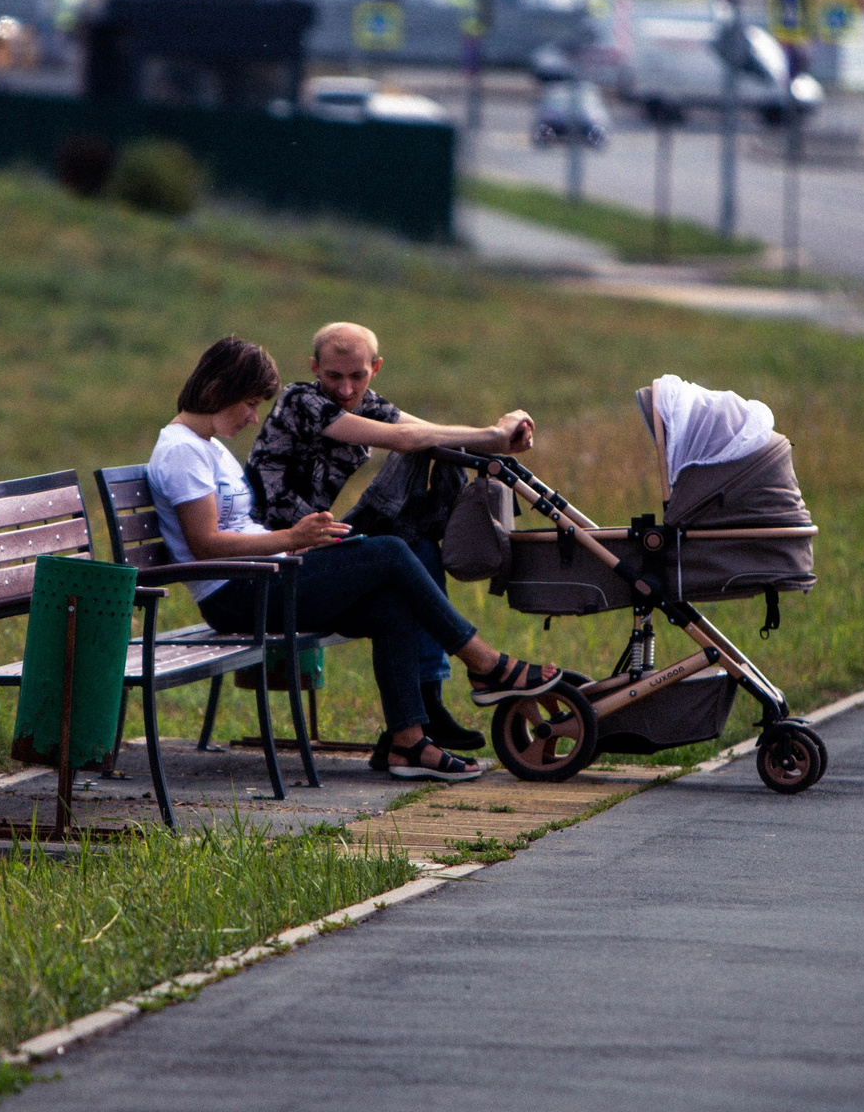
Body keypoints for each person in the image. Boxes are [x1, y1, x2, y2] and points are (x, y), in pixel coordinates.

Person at [148, 335, 568, 781]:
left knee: (390, 605)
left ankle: (408, 745)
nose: (254, 417)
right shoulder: (182, 451)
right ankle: (485, 664)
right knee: (389, 551)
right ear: (220, 391)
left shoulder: (207, 446)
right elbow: (206, 544)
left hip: (265, 575)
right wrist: (291, 536)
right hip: (236, 595)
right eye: (250, 403)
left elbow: (412, 433)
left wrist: (296, 542)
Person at [247, 321, 534, 750]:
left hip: (318, 540)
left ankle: (429, 703)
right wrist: (492, 435)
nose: (346, 389)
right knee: (402, 541)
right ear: (314, 368)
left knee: (418, 545)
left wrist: (504, 431)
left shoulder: (367, 402)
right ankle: (478, 664)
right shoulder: (301, 400)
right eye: (333, 376)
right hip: (280, 551)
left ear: (375, 368)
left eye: (357, 376)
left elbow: (430, 434)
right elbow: (403, 438)